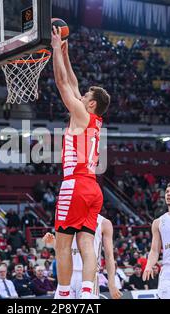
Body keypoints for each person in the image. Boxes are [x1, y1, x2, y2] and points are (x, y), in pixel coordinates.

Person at [51, 25, 110, 299]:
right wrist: (65, 50)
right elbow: (74, 84)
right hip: (93, 189)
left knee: (62, 246)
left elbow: (63, 84)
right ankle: (88, 294)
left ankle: (62, 295)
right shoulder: (96, 121)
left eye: (86, 96)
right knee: (86, 242)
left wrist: (54, 50)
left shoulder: (81, 115)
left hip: (74, 184)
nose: (81, 94)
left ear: (91, 104)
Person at [43, 215, 122, 299]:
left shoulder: (104, 222)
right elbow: (63, 250)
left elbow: (109, 256)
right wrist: (53, 243)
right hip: (67, 274)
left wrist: (112, 283)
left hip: (90, 276)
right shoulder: (67, 217)